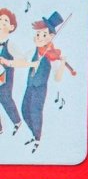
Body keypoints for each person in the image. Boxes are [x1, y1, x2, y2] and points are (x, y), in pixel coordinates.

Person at [21, 11, 66, 152]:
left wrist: (62, 64)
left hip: (39, 88)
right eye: (38, 34)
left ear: (51, 37)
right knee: (24, 110)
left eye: (43, 35)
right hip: (29, 85)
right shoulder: (34, 51)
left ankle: (38, 139)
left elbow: (57, 77)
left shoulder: (51, 55)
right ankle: (34, 134)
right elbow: (22, 60)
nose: (39, 37)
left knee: (35, 112)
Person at [0, 7, 28, 135]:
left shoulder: (10, 44)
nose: (1, 22)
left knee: (5, 98)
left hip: (6, 77)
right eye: (0, 19)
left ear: (11, 27)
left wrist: (8, 62)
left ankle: (17, 121)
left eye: (5, 20)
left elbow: (22, 59)